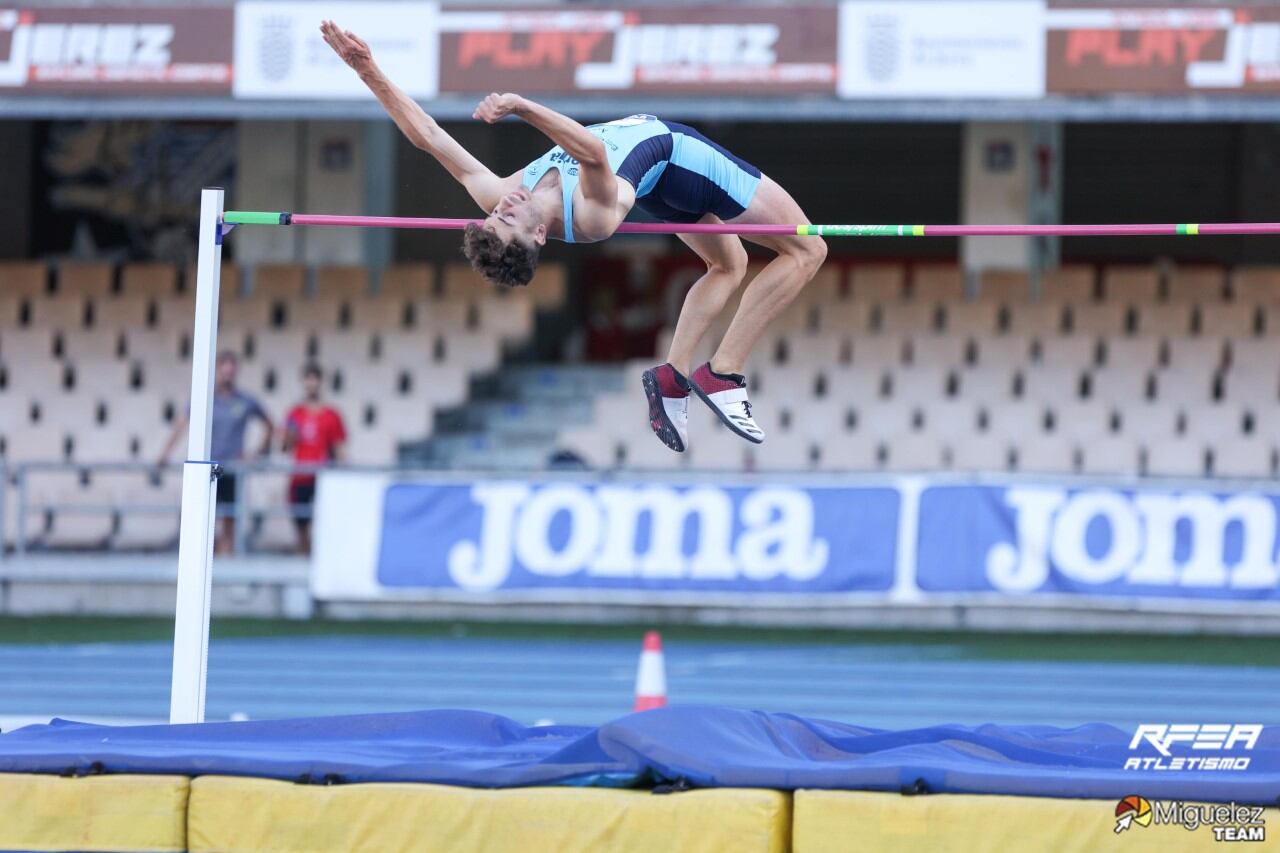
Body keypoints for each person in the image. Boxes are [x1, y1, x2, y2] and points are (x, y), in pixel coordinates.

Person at [320, 20, 827, 455]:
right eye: (509, 218)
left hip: (657, 187)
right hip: (683, 159)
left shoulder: (502, 192)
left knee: (728, 266)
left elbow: (429, 136)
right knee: (808, 249)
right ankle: (725, 370)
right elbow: (593, 152)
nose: (504, 205)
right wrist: (523, 106)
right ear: (540, 234)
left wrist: (367, 70)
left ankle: (673, 375)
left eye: (496, 213)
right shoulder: (590, 215)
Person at [158, 350, 273, 555]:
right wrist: (165, 454)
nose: (227, 376)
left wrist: (257, 453)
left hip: (232, 469)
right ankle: (207, 560)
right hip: (207, 468)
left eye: (231, 372)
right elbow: (181, 425)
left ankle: (225, 560)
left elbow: (269, 425)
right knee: (204, 520)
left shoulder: (245, 401)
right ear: (218, 370)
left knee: (229, 519)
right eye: (224, 371)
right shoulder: (204, 398)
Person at [281, 363, 347, 556]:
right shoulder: (295, 413)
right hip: (300, 477)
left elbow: (339, 448)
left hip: (322, 478)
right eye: (308, 379)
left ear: (320, 382)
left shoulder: (331, 415)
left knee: (324, 524)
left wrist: (343, 473)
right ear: (303, 382)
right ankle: (302, 558)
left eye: (315, 379)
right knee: (301, 526)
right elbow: (285, 447)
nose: (311, 383)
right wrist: (290, 437)